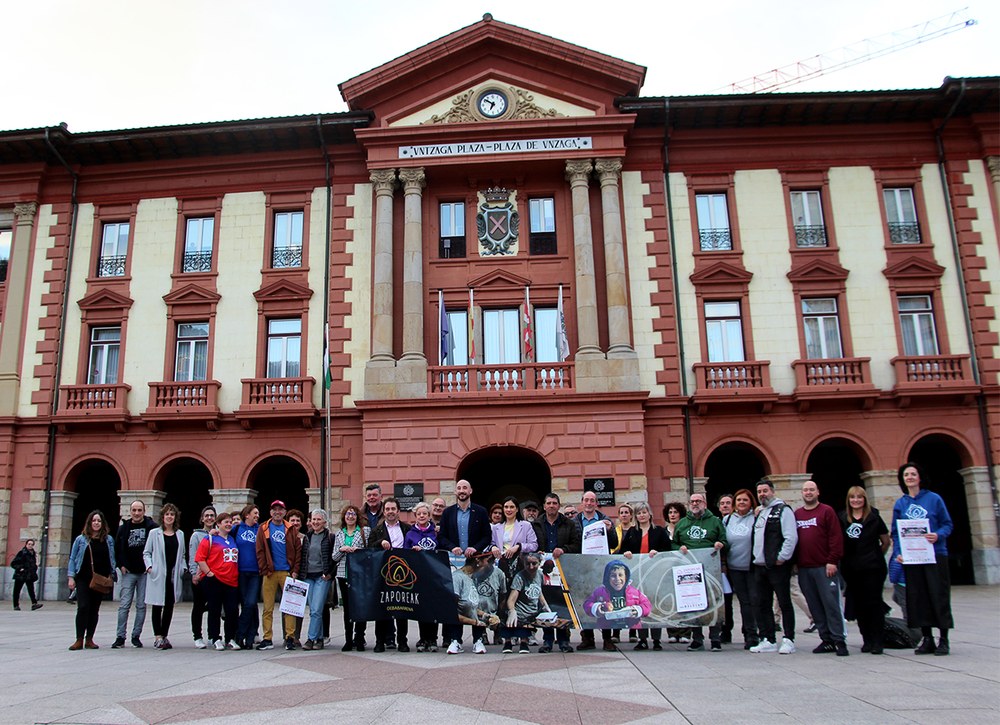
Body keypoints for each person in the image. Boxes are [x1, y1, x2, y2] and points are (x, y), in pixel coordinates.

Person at [892, 461, 954, 656]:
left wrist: (938, 535)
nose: (909, 477)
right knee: (918, 598)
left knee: (938, 595)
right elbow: (896, 532)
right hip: (913, 558)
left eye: (913, 474)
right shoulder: (901, 503)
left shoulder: (934, 499)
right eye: (906, 475)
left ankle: (944, 639)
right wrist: (898, 553)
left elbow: (947, 524)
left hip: (935, 555)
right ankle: (927, 638)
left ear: (920, 477)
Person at [794, 480, 848, 656]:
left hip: (824, 567)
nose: (808, 492)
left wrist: (832, 561)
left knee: (831, 604)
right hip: (804, 568)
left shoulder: (826, 511)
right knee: (815, 605)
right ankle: (826, 640)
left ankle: (839, 640)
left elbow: (835, 537)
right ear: (802, 493)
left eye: (811, 489)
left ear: (818, 492)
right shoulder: (797, 514)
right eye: (805, 490)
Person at [750, 479, 799, 655]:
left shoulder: (783, 510)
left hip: (777, 566)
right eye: (759, 492)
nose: (762, 494)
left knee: (784, 602)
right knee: (763, 604)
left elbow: (790, 537)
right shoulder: (760, 512)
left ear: (772, 491)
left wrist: (782, 557)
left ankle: (788, 639)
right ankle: (768, 639)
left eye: (765, 491)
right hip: (760, 565)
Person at [674, 491, 728, 651]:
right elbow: (674, 544)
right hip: (689, 570)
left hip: (711, 569)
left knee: (713, 602)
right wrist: (679, 548)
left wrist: (720, 544)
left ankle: (715, 638)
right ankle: (697, 639)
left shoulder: (715, 522)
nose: (695, 504)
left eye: (698, 501)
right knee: (693, 603)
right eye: (692, 501)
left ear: (704, 503)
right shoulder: (682, 523)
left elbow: (725, 541)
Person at [840, 485, 890, 654]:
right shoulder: (843, 518)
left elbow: (885, 541)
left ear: (864, 499)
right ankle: (867, 639)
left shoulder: (874, 517)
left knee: (874, 604)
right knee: (859, 605)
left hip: (873, 568)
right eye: (852, 497)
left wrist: (875, 555)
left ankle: (878, 640)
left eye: (859, 497)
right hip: (852, 569)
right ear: (848, 500)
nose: (856, 500)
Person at [530, 492, 580, 653]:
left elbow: (576, 544)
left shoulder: (569, 524)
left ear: (558, 506)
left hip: (562, 569)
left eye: (554, 503)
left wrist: (564, 549)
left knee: (562, 603)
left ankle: (564, 640)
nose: (551, 506)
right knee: (546, 604)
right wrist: (537, 551)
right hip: (543, 569)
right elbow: (531, 544)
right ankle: (547, 640)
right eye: (549, 503)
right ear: (544, 506)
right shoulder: (536, 524)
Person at [620, 502, 670, 650]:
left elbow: (668, 550)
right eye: (639, 513)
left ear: (650, 514)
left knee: (654, 605)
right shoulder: (632, 532)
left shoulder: (659, 531)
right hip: (637, 574)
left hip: (655, 574)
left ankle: (656, 639)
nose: (641, 515)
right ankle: (642, 639)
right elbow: (623, 550)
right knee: (639, 605)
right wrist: (626, 553)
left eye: (644, 512)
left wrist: (658, 553)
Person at [255, 499, 302, 651]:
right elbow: (259, 550)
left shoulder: (290, 528)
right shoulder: (263, 528)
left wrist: (295, 570)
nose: (277, 512)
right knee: (267, 608)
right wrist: (264, 569)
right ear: (270, 512)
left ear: (284, 512)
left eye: (280, 510)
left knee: (289, 607)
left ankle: (290, 637)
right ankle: (267, 638)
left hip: (286, 572)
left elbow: (297, 550)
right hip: (270, 572)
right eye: (274, 510)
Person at [67, 510, 117, 650]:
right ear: (89, 523)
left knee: (94, 609)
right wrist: (71, 577)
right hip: (83, 578)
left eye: (99, 521)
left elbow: (112, 557)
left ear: (103, 523)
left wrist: (112, 574)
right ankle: (79, 639)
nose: (96, 523)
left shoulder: (108, 540)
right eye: (94, 520)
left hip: (100, 579)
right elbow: (72, 558)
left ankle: (89, 639)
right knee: (83, 607)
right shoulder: (81, 539)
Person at [370, 497, 412, 652]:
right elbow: (370, 548)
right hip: (383, 574)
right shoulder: (376, 530)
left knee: (402, 608)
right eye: (387, 509)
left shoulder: (407, 529)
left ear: (398, 511)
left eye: (393, 509)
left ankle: (402, 641)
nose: (390, 512)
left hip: (403, 574)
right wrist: (380, 543)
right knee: (382, 608)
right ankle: (380, 641)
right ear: (383, 511)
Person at [113, 500, 156, 649]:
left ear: (144, 511)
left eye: (139, 510)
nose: (136, 513)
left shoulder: (152, 527)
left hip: (144, 573)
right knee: (124, 605)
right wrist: (121, 565)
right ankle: (120, 636)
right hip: (128, 572)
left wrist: (150, 566)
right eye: (134, 510)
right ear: (130, 511)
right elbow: (117, 549)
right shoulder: (123, 528)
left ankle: (136, 636)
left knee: (141, 606)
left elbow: (156, 548)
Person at [142, 503, 186, 650]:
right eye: (167, 514)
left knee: (169, 605)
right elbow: (147, 552)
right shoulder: (154, 533)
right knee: (157, 605)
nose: (169, 517)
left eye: (172, 514)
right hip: (158, 573)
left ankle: (165, 635)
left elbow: (183, 554)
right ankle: (158, 636)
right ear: (162, 516)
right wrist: (150, 567)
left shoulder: (180, 534)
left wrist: (183, 568)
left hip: (172, 575)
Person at [582, 559, 651, 652]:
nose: (617, 579)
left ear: (626, 577)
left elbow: (647, 604)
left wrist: (638, 610)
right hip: (608, 622)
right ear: (607, 578)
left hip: (629, 621)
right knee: (605, 620)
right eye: (613, 576)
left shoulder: (634, 592)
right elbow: (587, 603)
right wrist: (597, 608)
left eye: (620, 575)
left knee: (641, 621)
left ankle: (642, 639)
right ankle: (607, 640)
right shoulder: (600, 591)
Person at [195, 511, 240, 650]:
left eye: (230, 522)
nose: (229, 524)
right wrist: (209, 573)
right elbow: (200, 558)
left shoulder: (232, 539)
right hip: (215, 579)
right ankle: (215, 637)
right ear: (218, 524)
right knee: (214, 610)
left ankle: (230, 638)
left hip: (232, 580)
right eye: (226, 522)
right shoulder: (210, 539)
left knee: (232, 610)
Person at [574, 491, 613, 651]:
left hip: (601, 567)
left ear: (596, 503)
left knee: (605, 600)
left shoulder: (605, 520)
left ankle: (607, 638)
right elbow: (573, 542)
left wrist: (609, 531)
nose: (589, 503)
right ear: (582, 502)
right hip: (582, 568)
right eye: (586, 500)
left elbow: (614, 543)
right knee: (585, 601)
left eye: (592, 500)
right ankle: (587, 638)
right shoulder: (574, 522)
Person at [723, 489, 758, 649]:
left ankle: (753, 634)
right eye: (739, 500)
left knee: (753, 601)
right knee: (742, 601)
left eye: (745, 500)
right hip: (733, 567)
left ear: (751, 502)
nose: (741, 503)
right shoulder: (728, 520)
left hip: (752, 566)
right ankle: (743, 633)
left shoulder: (756, 517)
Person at [444, 552, 499, 654]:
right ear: (477, 561)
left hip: (473, 613)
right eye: (487, 561)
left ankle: (478, 640)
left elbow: (472, 606)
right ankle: (455, 640)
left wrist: (486, 616)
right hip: (458, 616)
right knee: (459, 608)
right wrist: (475, 622)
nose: (489, 565)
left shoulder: (476, 577)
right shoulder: (457, 577)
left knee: (477, 604)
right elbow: (452, 610)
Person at [403, 502, 440, 652]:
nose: (422, 516)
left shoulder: (436, 532)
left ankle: (433, 639)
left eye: (425, 513)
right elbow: (405, 553)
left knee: (433, 607)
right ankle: (423, 638)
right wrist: (413, 551)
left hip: (434, 575)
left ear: (429, 516)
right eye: (419, 514)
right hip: (417, 575)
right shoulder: (410, 534)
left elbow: (441, 550)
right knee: (421, 607)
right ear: (415, 516)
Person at [333, 504, 370, 651]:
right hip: (343, 574)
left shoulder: (364, 531)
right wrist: (342, 549)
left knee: (360, 606)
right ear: (344, 517)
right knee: (347, 609)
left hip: (359, 574)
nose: (350, 517)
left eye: (353, 514)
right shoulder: (339, 534)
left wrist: (358, 550)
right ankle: (348, 639)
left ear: (357, 517)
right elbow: (334, 557)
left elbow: (369, 552)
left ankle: (359, 638)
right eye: (348, 514)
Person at [502, 551, 552, 654]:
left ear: (539, 563)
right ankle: (508, 643)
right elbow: (511, 599)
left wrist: (545, 605)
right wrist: (512, 611)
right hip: (520, 612)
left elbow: (538, 591)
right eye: (528, 564)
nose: (531, 567)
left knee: (550, 620)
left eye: (534, 563)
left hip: (533, 611)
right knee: (513, 621)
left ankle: (529, 642)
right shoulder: (519, 577)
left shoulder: (540, 575)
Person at [300, 509, 335, 650]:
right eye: (313, 519)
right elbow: (303, 557)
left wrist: (330, 574)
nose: (315, 522)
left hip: (322, 576)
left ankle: (311, 638)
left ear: (324, 522)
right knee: (314, 610)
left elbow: (335, 558)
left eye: (318, 519)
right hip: (308, 576)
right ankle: (319, 639)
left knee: (316, 608)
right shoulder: (307, 537)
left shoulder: (330, 537)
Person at [230, 504, 261, 650]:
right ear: (247, 515)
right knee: (245, 604)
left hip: (255, 572)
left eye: (258, 513)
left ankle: (240, 635)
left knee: (251, 603)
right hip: (240, 571)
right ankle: (249, 638)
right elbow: (224, 537)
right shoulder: (236, 529)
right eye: (255, 513)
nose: (257, 516)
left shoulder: (260, 530)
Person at [490, 496, 538, 582]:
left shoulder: (526, 525)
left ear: (517, 509)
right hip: (500, 565)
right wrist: (493, 547)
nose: (509, 510)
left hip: (519, 565)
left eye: (512, 507)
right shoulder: (496, 527)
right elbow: (490, 543)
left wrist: (519, 546)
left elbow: (534, 545)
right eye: (506, 507)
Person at [439, 479, 492, 556]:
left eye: (465, 488)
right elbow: (441, 536)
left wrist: (475, 548)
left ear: (470, 491)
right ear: (455, 491)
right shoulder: (447, 512)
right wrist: (452, 547)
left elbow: (487, 536)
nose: (461, 491)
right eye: (459, 488)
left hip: (475, 557)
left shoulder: (481, 512)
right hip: (453, 558)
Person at [188, 505, 216, 649]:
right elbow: (193, 555)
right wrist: (194, 573)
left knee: (213, 607)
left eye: (212, 515)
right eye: (207, 516)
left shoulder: (218, 534)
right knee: (198, 607)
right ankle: (197, 636)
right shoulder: (196, 536)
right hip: (200, 575)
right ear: (202, 519)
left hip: (214, 576)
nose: (209, 518)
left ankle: (212, 635)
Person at [662, 501, 687, 643]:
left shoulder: (685, 530)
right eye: (670, 512)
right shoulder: (663, 531)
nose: (672, 515)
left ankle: (685, 632)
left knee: (684, 600)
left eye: (675, 512)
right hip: (667, 569)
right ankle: (671, 632)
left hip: (683, 568)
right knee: (669, 601)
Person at [286, 509, 307, 649]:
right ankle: (287, 636)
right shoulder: (283, 536)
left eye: (297, 520)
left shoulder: (305, 538)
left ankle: (296, 636)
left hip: (301, 575)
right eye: (292, 520)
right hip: (288, 574)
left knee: (298, 608)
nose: (295, 523)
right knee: (287, 606)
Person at [715, 493, 735, 643]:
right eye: (722, 503)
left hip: (736, 564)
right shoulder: (717, 522)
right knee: (724, 599)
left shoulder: (736, 521)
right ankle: (725, 629)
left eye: (728, 503)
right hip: (722, 566)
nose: (725, 506)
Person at [10, 538, 42, 611]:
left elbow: (32, 564)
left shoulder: (33, 554)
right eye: (29, 544)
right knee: (17, 590)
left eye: (32, 544)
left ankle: (34, 604)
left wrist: (35, 568)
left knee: (31, 590)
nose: (30, 546)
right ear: (26, 544)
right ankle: (16, 605)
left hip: (29, 575)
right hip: (20, 575)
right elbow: (13, 563)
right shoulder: (22, 553)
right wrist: (20, 568)